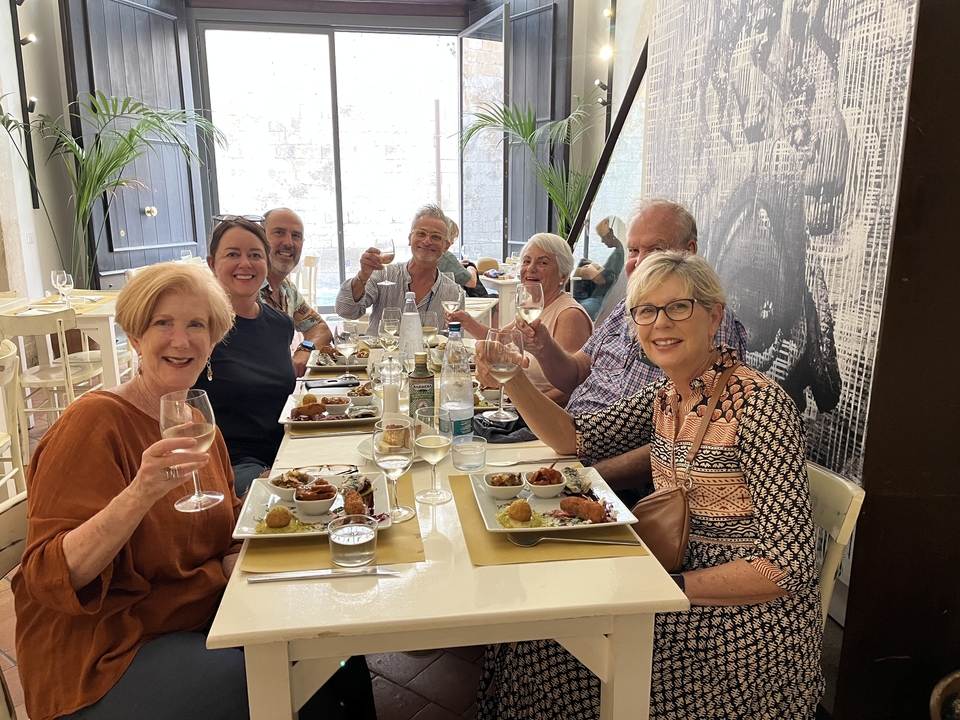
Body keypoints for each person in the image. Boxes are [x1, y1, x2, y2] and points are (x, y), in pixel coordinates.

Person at [474, 251, 824, 719]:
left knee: (543, 650)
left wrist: (665, 586)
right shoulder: (664, 394)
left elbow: (789, 567)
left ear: (714, 315)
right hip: (672, 582)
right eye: (646, 311)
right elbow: (571, 438)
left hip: (745, 635)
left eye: (679, 307)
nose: (661, 323)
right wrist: (512, 376)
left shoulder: (760, 405)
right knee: (521, 628)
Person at [12, 263, 247, 720]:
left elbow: (227, 526)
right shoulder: (93, 424)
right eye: (163, 323)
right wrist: (140, 493)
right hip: (106, 649)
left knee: (326, 656)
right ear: (135, 338)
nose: (181, 341)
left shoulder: (200, 427)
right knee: (257, 683)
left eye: (196, 324)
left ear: (213, 340)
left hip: (187, 617)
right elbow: (47, 574)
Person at [516, 198, 747, 485]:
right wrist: (539, 349)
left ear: (689, 252)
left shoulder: (710, 332)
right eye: (634, 250)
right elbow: (577, 412)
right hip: (575, 452)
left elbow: (686, 443)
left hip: (626, 488)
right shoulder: (628, 315)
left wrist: (586, 481)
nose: (639, 261)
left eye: (656, 249)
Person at [196, 217, 296, 497]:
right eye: (232, 254)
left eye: (255, 255)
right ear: (212, 263)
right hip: (230, 464)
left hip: (287, 451)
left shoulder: (280, 324)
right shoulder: (199, 328)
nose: (245, 264)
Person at [447, 233, 593, 406]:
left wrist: (523, 409)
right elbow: (500, 339)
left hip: (542, 416)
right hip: (516, 403)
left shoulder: (569, 315)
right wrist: (467, 322)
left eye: (543, 262)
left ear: (563, 275)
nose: (531, 268)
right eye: (526, 261)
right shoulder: (530, 305)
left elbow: (572, 388)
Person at [335, 203, 462, 331]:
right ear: (409, 239)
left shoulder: (454, 294)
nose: (427, 241)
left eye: (436, 236)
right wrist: (362, 276)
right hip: (382, 351)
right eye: (421, 233)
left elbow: (454, 341)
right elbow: (346, 311)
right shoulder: (383, 275)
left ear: (446, 246)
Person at [259, 207, 333, 376]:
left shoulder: (286, 288)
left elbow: (320, 328)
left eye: (296, 236)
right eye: (279, 232)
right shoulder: (246, 290)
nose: (288, 243)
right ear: (260, 238)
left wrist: (305, 348)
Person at [574, 216, 625, 320]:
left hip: (601, 300)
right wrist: (593, 264)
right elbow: (609, 273)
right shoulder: (616, 252)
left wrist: (580, 271)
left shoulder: (619, 253)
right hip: (597, 297)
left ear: (611, 234)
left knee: (574, 312)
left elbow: (601, 279)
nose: (602, 241)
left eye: (603, 237)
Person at [437, 218, 479, 292]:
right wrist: (471, 268)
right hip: (458, 300)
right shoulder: (445, 256)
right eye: (452, 237)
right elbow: (471, 282)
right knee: (494, 297)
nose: (452, 242)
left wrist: (457, 265)